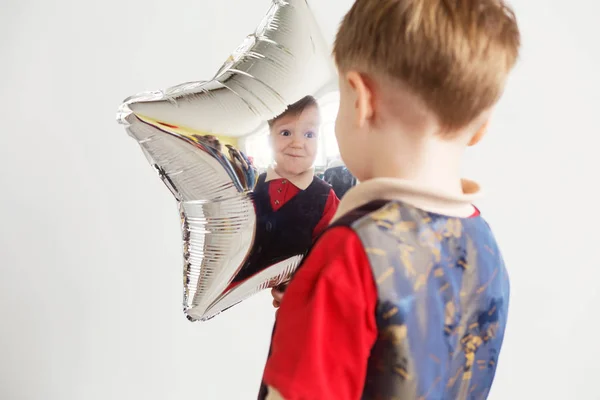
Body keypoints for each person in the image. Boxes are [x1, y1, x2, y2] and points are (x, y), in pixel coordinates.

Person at [259, 0, 521, 399]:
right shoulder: (485, 245)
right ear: (480, 128)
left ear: (360, 98)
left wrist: (324, 286)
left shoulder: (349, 253)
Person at [230, 96, 339, 288]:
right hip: (242, 289)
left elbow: (332, 254)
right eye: (286, 132)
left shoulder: (326, 198)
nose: (297, 143)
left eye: (309, 135)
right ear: (269, 140)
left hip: (296, 293)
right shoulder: (252, 186)